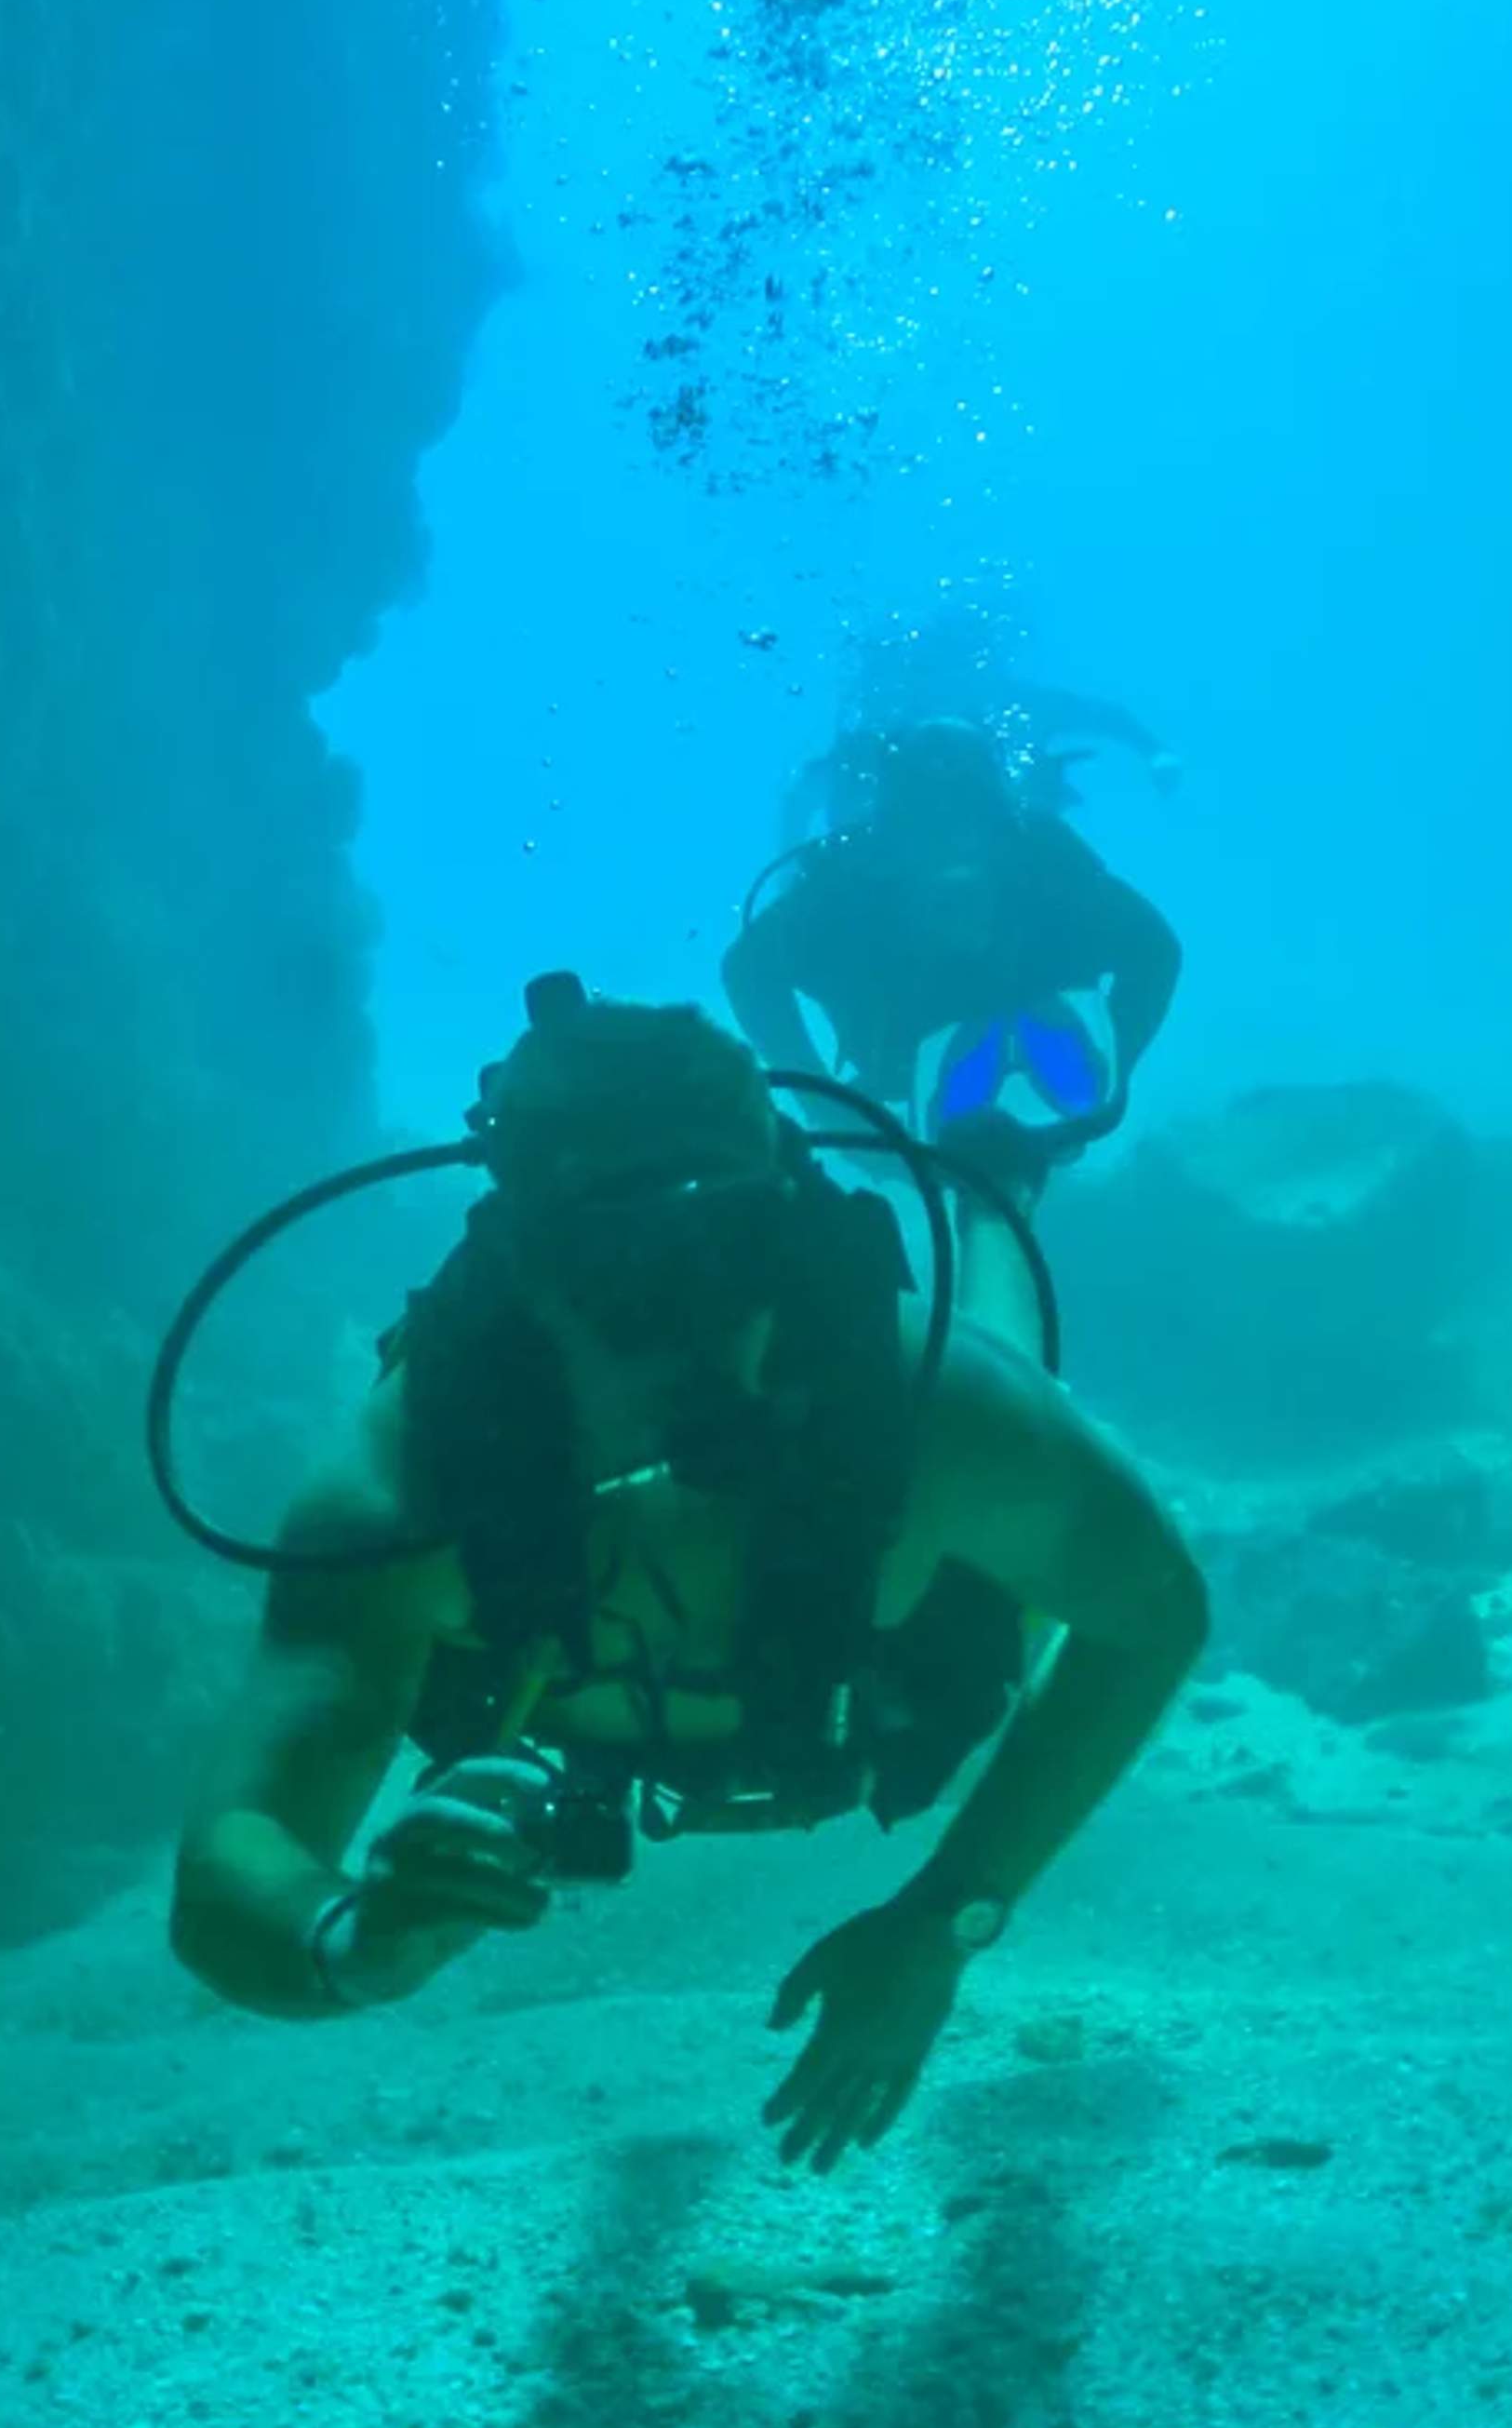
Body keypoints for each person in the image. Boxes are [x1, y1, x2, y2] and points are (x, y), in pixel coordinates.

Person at [169, 981, 1207, 2170]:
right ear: (522, 1260)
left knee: (1011, 1361)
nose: (671, 1328)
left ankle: (994, 1190)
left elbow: (1154, 1613)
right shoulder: (397, 1499)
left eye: (719, 1254)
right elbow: (230, 1861)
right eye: (615, 1268)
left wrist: (946, 1919)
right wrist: (349, 1939)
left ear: (780, 1225)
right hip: (634, 1711)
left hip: (910, 1661)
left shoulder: (939, 1414)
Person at [722, 715, 1182, 1201]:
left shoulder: (1048, 871)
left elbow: (1155, 951)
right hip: (897, 1071)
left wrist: (1114, 1078)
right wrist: (830, 1108)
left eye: (968, 827)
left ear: (1002, 829)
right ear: (889, 844)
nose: (953, 864)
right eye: (926, 832)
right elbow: (748, 971)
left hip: (1002, 1048)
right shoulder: (844, 891)